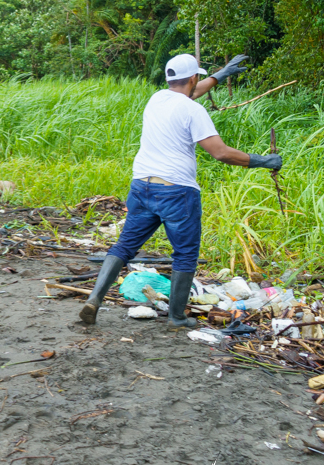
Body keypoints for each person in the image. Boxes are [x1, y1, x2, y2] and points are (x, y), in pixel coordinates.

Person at [80, 53, 283, 329]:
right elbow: (220, 153)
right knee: (185, 254)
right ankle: (176, 317)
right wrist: (265, 161)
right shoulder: (193, 110)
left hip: (142, 185)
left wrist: (221, 75)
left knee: (125, 246)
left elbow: (189, 92)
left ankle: (94, 300)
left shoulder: (156, 99)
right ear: (193, 78)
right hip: (176, 191)